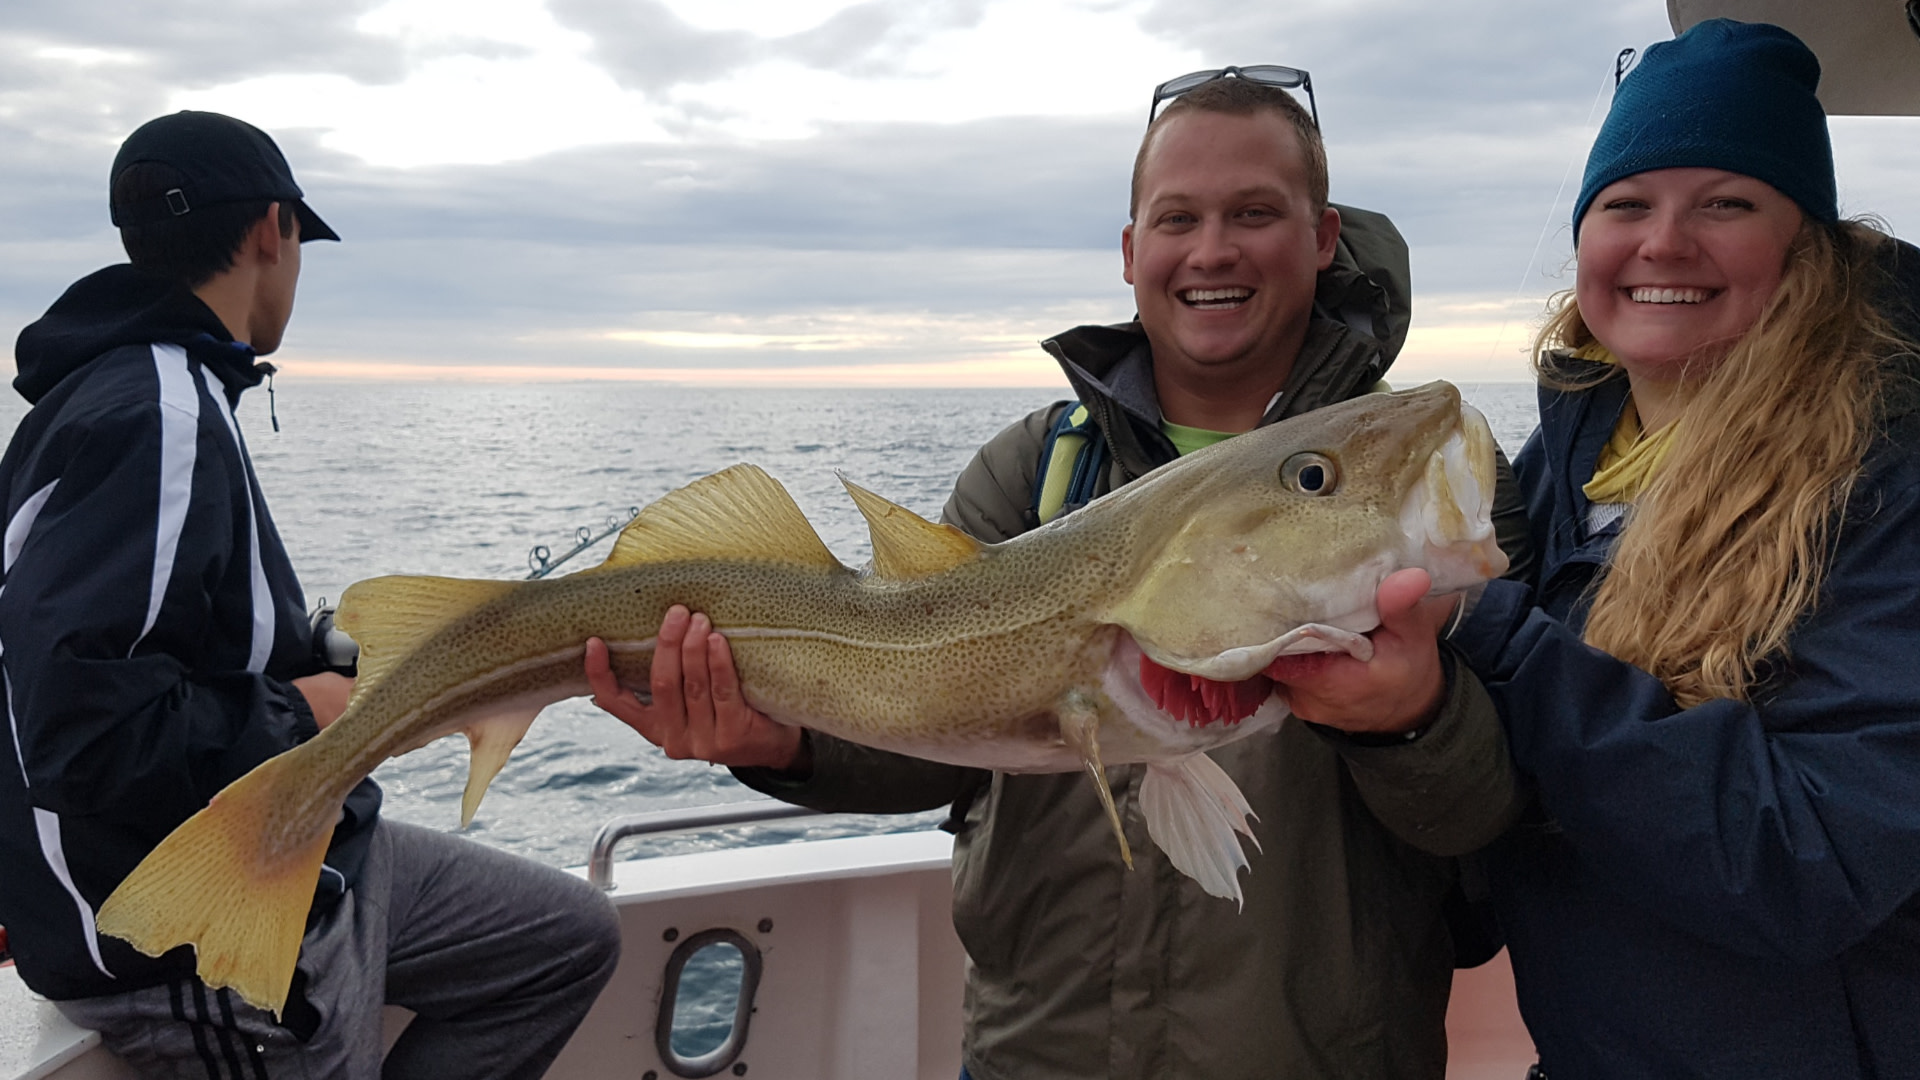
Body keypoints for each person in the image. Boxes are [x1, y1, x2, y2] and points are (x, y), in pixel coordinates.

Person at [588, 73, 1534, 1079]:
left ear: (1323, 237)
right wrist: (778, 741)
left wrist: (1413, 717)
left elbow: (1491, 817)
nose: (1213, 249)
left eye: (1256, 213)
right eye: (1179, 218)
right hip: (1038, 1046)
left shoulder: (1436, 487)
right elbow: (938, 736)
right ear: (1132, 251)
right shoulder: (1033, 470)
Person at [1278, 19, 1920, 1078]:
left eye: (1727, 203)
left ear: (1807, 245)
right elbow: (1514, 805)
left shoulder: (1884, 485)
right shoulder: (1561, 464)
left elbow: (1813, 859)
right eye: (1626, 205)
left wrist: (1500, 640)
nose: (1664, 243)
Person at [0, 111, 620, 1079]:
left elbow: (163, 642)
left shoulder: (162, 391)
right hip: (198, 926)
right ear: (269, 232)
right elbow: (88, 735)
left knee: (563, 937)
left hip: (314, 850)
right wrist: (302, 710)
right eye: (296, 243)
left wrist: (340, 654)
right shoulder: (154, 411)